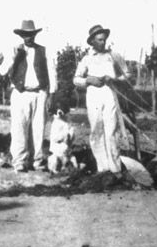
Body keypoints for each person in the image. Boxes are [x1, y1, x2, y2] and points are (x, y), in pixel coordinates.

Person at [0, 20, 56, 172]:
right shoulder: (15, 50)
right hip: (20, 93)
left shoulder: (43, 50)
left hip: (39, 92)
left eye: (31, 34)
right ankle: (19, 161)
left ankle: (37, 161)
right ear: (21, 35)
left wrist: (52, 93)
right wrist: (13, 57)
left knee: (38, 128)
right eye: (25, 35)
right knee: (19, 127)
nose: (28, 37)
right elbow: (2, 71)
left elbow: (51, 72)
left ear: (35, 35)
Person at [73, 24, 129, 174]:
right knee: (97, 131)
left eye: (104, 40)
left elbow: (127, 75)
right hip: (93, 97)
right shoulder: (87, 59)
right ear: (92, 41)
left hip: (110, 94)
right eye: (99, 40)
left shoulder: (114, 56)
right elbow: (76, 79)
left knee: (111, 131)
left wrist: (114, 78)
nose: (102, 43)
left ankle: (115, 168)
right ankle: (103, 169)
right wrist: (88, 80)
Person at [47, 93, 76, 174]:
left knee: (73, 159)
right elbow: (55, 138)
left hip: (66, 151)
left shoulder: (67, 122)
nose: (59, 111)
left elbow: (72, 134)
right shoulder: (55, 123)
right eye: (57, 109)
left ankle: (71, 169)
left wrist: (70, 134)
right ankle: (55, 170)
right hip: (57, 153)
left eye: (62, 108)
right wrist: (65, 136)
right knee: (53, 159)